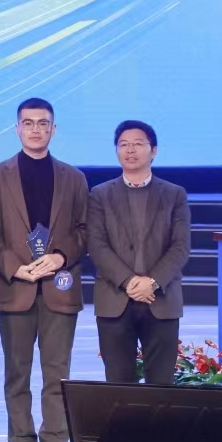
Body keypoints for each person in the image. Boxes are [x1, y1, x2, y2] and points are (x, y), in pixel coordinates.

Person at [0, 98, 88, 442]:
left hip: (59, 287)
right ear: (17, 129)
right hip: (15, 287)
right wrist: (15, 267)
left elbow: (84, 230)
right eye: (29, 123)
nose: (36, 129)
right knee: (17, 374)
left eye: (43, 123)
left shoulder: (73, 178)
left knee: (58, 375)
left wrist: (59, 256)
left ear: (53, 129)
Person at [88, 120, 190, 384]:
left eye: (137, 144)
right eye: (123, 144)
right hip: (114, 300)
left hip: (161, 300)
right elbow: (96, 244)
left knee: (161, 385)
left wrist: (152, 282)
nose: (130, 150)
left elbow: (180, 247)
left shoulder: (174, 194)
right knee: (118, 385)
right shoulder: (99, 194)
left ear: (153, 150)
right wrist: (130, 281)